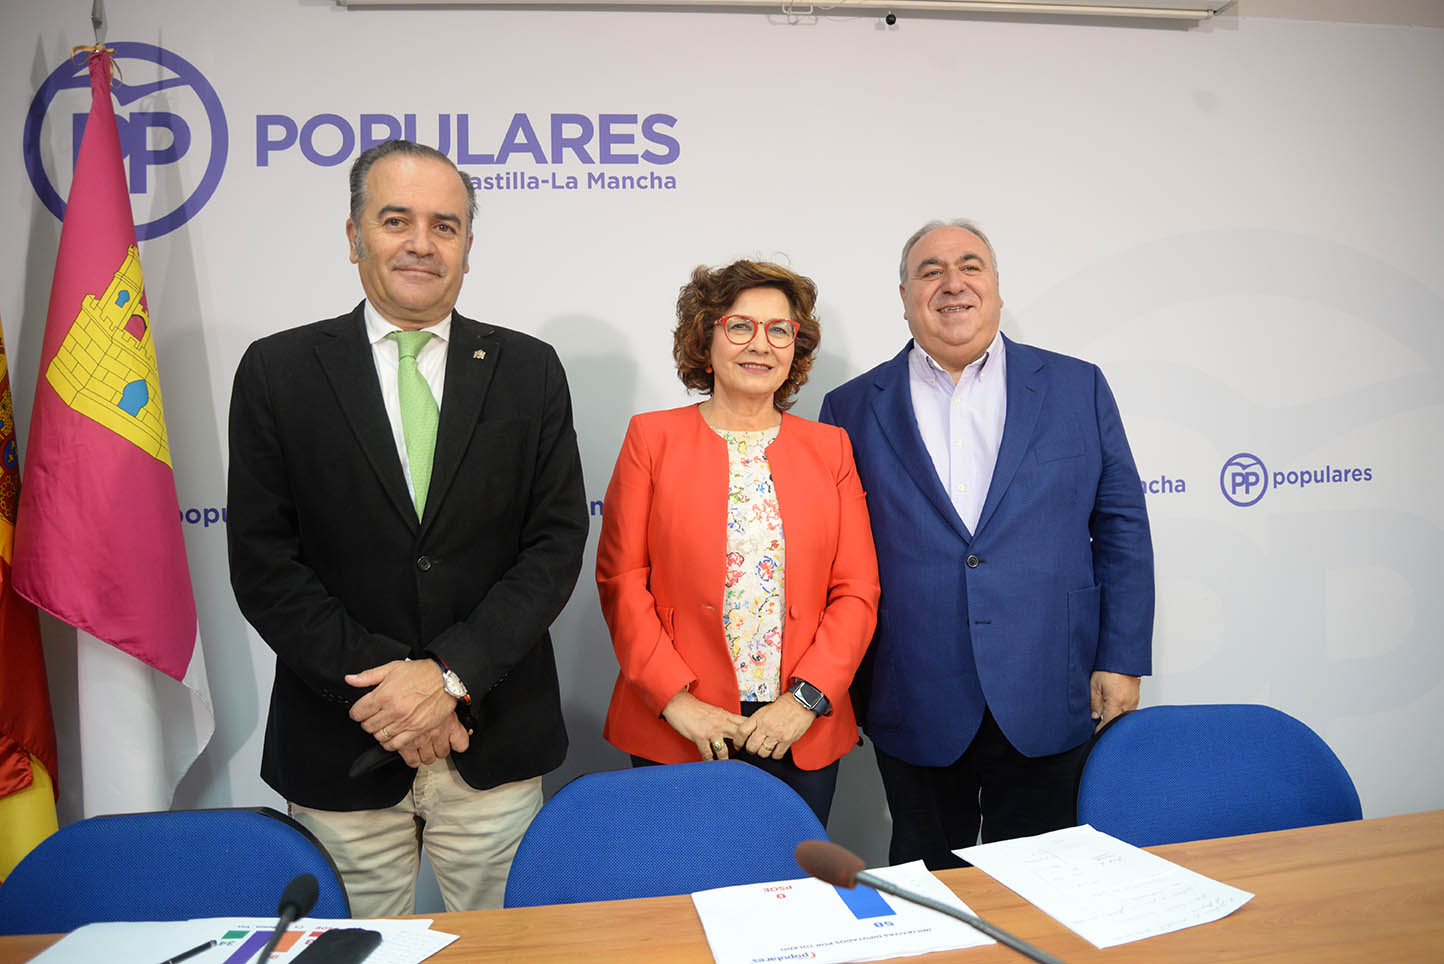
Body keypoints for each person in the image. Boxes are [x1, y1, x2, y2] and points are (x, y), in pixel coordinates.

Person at [226, 139, 588, 914]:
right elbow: (265, 564)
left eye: (445, 225)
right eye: (397, 220)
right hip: (341, 742)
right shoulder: (277, 371)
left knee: (509, 950)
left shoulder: (530, 369)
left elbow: (553, 546)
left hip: (495, 742)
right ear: (355, 236)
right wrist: (396, 696)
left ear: (467, 246)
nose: (421, 243)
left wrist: (449, 678)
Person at [819, 219, 1154, 868]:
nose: (952, 283)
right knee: (930, 886)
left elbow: (1121, 529)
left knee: (1048, 889)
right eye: (930, 270)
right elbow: (836, 558)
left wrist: (1121, 658)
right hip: (911, 691)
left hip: (1051, 685)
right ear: (904, 293)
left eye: (970, 266)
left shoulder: (1076, 386)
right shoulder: (851, 408)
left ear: (997, 287)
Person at [596, 260, 880, 825]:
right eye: (740, 326)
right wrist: (678, 702)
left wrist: (804, 702)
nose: (762, 344)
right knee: (681, 896)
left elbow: (857, 590)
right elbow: (621, 581)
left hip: (798, 727)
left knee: (788, 894)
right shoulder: (651, 439)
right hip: (681, 725)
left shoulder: (831, 448)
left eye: (780, 329)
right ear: (707, 338)